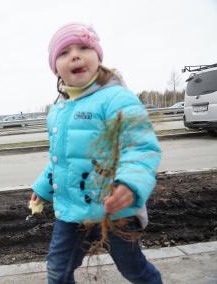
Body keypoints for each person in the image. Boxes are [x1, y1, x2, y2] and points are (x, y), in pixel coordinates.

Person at [30, 23, 163, 283]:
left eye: (84, 48)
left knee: (134, 269)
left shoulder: (115, 98)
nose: (75, 55)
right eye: (64, 52)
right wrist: (42, 188)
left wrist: (130, 183)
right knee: (57, 271)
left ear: (98, 57)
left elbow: (140, 146)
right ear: (55, 68)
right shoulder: (58, 110)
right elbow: (60, 161)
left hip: (116, 213)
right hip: (72, 213)